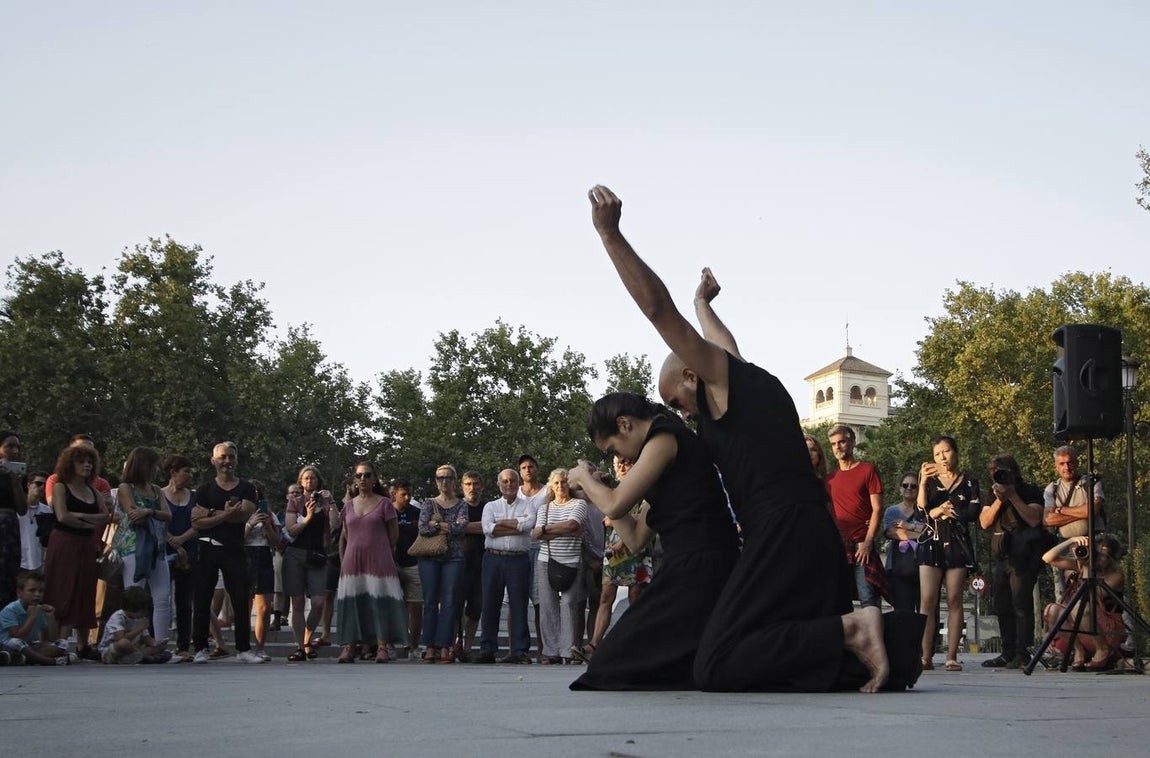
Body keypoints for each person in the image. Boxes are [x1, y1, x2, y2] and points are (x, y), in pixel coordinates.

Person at [585, 186, 920, 692]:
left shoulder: (719, 383)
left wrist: (610, 235)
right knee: (768, 644)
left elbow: (658, 311)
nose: (678, 414)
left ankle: (854, 624)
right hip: (810, 530)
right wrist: (703, 304)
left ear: (694, 376)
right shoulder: (746, 379)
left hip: (781, 529)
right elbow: (726, 342)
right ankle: (879, 640)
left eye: (676, 401)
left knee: (716, 663)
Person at [567, 393, 740, 689]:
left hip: (702, 566)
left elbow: (614, 505)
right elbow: (635, 538)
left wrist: (584, 477)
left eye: (614, 449)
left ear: (624, 424)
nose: (621, 459)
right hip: (686, 568)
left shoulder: (665, 437)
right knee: (613, 662)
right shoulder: (666, 467)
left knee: (609, 665)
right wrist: (605, 488)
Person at [190, 442, 265, 664]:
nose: (227, 462)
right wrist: (225, 514)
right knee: (202, 598)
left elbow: (244, 515)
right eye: (222, 457)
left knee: (240, 599)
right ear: (213, 460)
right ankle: (201, 648)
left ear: (236, 460)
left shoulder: (246, 488)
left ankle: (243, 649)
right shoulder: (204, 490)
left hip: (234, 548)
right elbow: (196, 521)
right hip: (207, 547)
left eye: (231, 457)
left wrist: (211, 514)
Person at [574, 455, 653, 664]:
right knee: (605, 597)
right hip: (613, 551)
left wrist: (618, 529)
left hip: (637, 550)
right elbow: (595, 503)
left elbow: (641, 518)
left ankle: (638, 646)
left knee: (636, 597)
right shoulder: (614, 490)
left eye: (626, 463)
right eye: (619, 464)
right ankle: (593, 644)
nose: (622, 467)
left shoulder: (645, 488)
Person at [915, 437, 980, 671]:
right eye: (937, 454)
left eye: (946, 451)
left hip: (957, 543)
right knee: (927, 601)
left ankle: (951, 656)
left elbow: (972, 512)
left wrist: (943, 511)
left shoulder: (970, 481)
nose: (942, 457)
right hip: (931, 542)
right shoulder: (930, 482)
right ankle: (925, 656)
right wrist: (922, 482)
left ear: (956, 452)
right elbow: (922, 511)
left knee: (955, 599)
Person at [43, 444, 112, 662]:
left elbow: (105, 517)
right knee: (63, 588)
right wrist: (89, 520)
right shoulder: (61, 487)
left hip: (86, 543)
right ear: (70, 464)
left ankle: (84, 644)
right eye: (81, 461)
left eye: (89, 462)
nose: (86, 465)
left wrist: (80, 518)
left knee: (85, 589)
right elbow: (62, 516)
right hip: (64, 542)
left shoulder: (93, 491)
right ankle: (59, 641)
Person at [334, 461, 407, 663]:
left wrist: (382, 551)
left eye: (367, 475)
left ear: (374, 479)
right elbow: (346, 535)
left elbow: (394, 534)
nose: (363, 479)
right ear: (354, 479)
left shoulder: (384, 504)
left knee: (380, 600)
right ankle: (349, 646)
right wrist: (344, 557)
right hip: (353, 560)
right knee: (351, 602)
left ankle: (382, 646)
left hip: (379, 559)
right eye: (359, 475)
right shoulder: (348, 506)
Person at [978, 454, 1046, 670]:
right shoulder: (994, 494)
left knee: (1021, 603)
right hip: (1003, 554)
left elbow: (1035, 519)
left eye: (1003, 471)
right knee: (1001, 604)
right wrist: (1000, 498)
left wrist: (1013, 495)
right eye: (995, 472)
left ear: (1014, 472)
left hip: (1024, 555)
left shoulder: (1029, 491)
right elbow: (984, 522)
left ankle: (1022, 652)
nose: (999, 476)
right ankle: (1007, 652)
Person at [473, 468, 538, 664]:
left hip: (518, 559)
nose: (509, 484)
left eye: (512, 480)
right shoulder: (490, 506)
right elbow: (487, 529)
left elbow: (529, 526)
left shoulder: (529, 505)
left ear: (518, 483)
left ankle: (520, 651)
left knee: (519, 605)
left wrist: (500, 524)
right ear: (499, 484)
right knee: (490, 604)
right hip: (493, 558)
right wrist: (517, 525)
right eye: (505, 481)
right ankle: (487, 649)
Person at [113, 447, 173, 645]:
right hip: (133, 548)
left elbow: (167, 514)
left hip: (157, 547)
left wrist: (148, 511)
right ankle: (132, 641)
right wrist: (152, 513)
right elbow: (132, 514)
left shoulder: (156, 490)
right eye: (153, 465)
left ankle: (161, 643)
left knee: (162, 597)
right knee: (133, 595)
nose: (156, 470)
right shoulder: (125, 488)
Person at [826, 425, 889, 610]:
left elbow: (877, 508)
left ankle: (874, 639)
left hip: (863, 544)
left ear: (852, 442)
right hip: (839, 547)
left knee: (868, 598)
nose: (838, 447)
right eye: (833, 444)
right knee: (839, 599)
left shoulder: (867, 470)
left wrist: (869, 541)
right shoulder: (829, 480)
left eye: (842, 442)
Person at [1041, 534, 1126, 670]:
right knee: (1053, 610)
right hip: (1080, 631)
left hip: (1106, 632)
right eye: (1097, 554)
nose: (1100, 559)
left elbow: (1091, 596)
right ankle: (1078, 650)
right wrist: (1071, 541)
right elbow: (1047, 558)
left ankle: (1102, 650)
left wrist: (1087, 569)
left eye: (1105, 555)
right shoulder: (1080, 565)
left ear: (1112, 558)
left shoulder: (1116, 575)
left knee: (1081, 605)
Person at [532, 469, 588, 665]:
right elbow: (536, 534)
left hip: (572, 561)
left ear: (569, 484)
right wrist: (558, 530)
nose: (560, 486)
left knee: (569, 606)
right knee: (547, 607)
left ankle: (569, 650)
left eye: (564, 482)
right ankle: (551, 651)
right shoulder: (544, 509)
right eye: (556, 483)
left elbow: (573, 525)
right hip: (546, 561)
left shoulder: (579, 504)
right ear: (551, 486)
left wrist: (547, 529)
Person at [416, 464, 470, 663]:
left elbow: (460, 528)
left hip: (454, 558)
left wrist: (436, 524)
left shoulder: (461, 504)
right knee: (430, 602)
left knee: (449, 602)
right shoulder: (428, 503)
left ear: (455, 480)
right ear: (436, 481)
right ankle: (429, 646)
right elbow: (422, 528)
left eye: (448, 478)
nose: (444, 482)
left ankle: (445, 645)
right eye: (440, 478)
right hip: (429, 558)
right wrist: (446, 526)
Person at [282, 465, 335, 662]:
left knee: (319, 602)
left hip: (318, 554)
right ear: (301, 481)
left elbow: (336, 524)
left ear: (318, 481)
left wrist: (331, 502)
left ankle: (307, 640)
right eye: (306, 478)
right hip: (296, 554)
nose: (310, 481)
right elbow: (291, 530)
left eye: (313, 478)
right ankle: (300, 646)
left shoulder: (325, 502)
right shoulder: (295, 502)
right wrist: (309, 517)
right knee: (297, 602)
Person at [1043, 445, 1105, 601]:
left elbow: (1092, 510)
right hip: (1067, 547)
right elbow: (1048, 520)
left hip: (1094, 542)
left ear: (1076, 463)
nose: (1066, 467)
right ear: (1056, 466)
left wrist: (1061, 510)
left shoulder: (1090, 483)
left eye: (1070, 463)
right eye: (1062, 464)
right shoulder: (1052, 489)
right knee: (1070, 595)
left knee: (1100, 593)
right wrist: (1081, 512)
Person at [161, 455, 197, 658]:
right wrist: (171, 540)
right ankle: (157, 642)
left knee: (185, 602)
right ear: (173, 473)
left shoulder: (194, 496)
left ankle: (183, 646)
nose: (190, 476)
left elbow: (199, 523)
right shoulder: (160, 494)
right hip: (163, 550)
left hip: (189, 549)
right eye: (186, 471)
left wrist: (181, 539)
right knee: (161, 599)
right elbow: (157, 521)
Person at [0, 569, 75, 665]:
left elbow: (51, 638)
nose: (37, 594)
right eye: (32, 590)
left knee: (62, 643)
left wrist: (50, 617)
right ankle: (50, 661)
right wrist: (32, 617)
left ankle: (24, 659)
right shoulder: (10, 610)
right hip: (7, 646)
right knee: (16, 642)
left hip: (28, 647)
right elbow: (18, 636)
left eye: (41, 591)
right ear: (19, 593)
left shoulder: (39, 609)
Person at [517, 454, 552, 660]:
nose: (528, 470)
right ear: (520, 472)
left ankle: (543, 649)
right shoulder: (515, 491)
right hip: (519, 548)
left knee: (541, 601)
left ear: (537, 469)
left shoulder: (547, 491)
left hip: (541, 548)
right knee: (516, 600)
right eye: (524, 467)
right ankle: (517, 649)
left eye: (531, 466)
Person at [244, 479, 282, 661]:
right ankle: (243, 647)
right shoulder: (239, 512)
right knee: (244, 606)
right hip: (245, 555)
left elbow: (278, 542)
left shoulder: (269, 514)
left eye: (257, 492)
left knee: (265, 607)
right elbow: (235, 538)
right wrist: (250, 523)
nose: (255, 496)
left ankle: (260, 647)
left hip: (264, 555)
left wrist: (267, 526)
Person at [454, 471, 485, 661]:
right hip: (458, 563)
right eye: (468, 484)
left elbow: (492, 527)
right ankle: (454, 643)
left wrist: (465, 527)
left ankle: (467, 647)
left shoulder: (488, 507)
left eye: (475, 484)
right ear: (462, 487)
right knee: (455, 606)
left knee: (476, 608)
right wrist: (483, 526)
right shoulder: (457, 507)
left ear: (481, 486)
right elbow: (453, 527)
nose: (472, 488)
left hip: (481, 563)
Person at [882, 472, 924, 613]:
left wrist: (908, 526)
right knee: (902, 615)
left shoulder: (926, 511)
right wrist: (919, 533)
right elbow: (891, 533)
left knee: (926, 613)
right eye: (905, 485)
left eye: (913, 486)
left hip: (924, 569)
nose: (909, 488)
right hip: (898, 571)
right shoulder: (891, 511)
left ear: (919, 489)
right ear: (900, 488)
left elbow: (931, 532)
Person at [390, 478, 423, 658]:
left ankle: (413, 646)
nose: (407, 497)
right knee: (392, 606)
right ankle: (391, 645)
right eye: (403, 494)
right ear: (394, 494)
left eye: (410, 494)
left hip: (414, 563)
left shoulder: (417, 513)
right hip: (391, 564)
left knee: (416, 607)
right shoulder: (386, 512)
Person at [98, 585, 171, 664]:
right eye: (143, 611)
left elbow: (145, 637)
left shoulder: (139, 619)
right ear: (131, 608)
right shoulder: (118, 617)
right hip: (112, 651)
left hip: (132, 651)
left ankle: (137, 657)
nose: (145, 614)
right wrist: (139, 628)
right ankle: (144, 656)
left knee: (160, 647)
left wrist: (155, 643)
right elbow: (121, 638)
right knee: (124, 643)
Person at [0, 432, 28, 606]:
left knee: (9, 574)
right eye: (10, 446)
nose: (15, 450)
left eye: (17, 446)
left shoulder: (16, 475)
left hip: (10, 527)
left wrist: (16, 484)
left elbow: (22, 509)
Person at [19, 472, 51, 572]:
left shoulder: (47, 511)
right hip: (17, 561)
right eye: (38, 483)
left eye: (45, 485)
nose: (42, 487)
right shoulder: (17, 508)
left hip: (38, 563)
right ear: (29, 485)